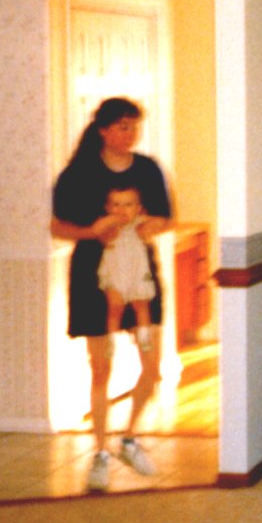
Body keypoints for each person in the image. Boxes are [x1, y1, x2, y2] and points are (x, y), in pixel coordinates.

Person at [51, 97, 173, 492]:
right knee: (100, 366)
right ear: (103, 130)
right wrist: (93, 230)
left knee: (151, 365)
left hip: (139, 271)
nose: (130, 133)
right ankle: (100, 452)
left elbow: (165, 217)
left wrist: (152, 225)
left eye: (134, 126)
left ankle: (130, 437)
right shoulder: (78, 173)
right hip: (93, 273)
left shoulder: (149, 169)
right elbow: (57, 226)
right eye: (122, 126)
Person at [98, 185, 157, 353]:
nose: (122, 210)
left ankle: (144, 337)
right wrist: (111, 224)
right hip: (114, 272)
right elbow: (103, 237)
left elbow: (158, 224)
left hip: (137, 272)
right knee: (115, 307)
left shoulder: (140, 225)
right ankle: (112, 341)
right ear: (108, 208)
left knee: (141, 305)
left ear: (138, 208)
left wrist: (146, 224)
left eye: (128, 205)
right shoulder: (107, 226)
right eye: (116, 205)